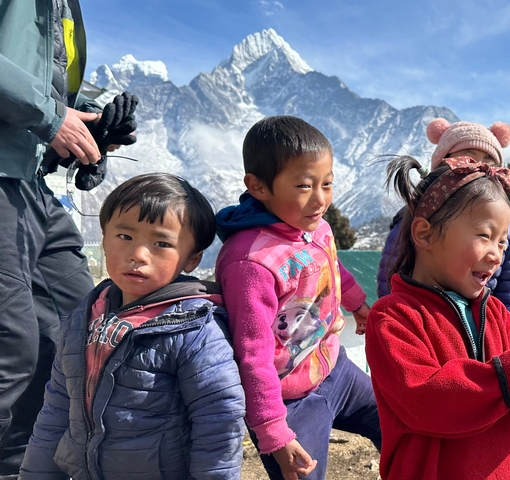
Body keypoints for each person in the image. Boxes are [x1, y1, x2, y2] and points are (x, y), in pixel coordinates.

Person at [365, 156, 510, 480]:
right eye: (484, 236)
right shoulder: (393, 318)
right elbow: (424, 401)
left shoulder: (497, 314)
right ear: (424, 234)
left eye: (502, 241)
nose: (496, 254)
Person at [18, 173, 246, 479]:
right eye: (125, 237)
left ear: (192, 259)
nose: (138, 255)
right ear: (103, 238)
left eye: (161, 243)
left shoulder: (196, 330)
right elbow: (58, 406)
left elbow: (219, 422)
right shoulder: (85, 317)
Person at [0, 0, 135, 475]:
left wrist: (93, 123)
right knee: (9, 343)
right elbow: (37, 101)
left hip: (31, 182)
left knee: (79, 329)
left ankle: (21, 466)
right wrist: (51, 116)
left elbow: (37, 80)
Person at [216, 115, 380, 480]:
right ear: (258, 187)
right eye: (305, 186)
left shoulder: (315, 226)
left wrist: (359, 304)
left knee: (397, 423)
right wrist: (274, 433)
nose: (320, 199)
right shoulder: (251, 262)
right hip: (288, 400)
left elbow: (333, 269)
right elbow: (253, 355)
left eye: (327, 183)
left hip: (334, 369)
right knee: (303, 475)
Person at [376, 118, 510, 333]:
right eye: (469, 159)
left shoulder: (509, 233)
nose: (480, 169)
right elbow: (391, 277)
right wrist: (397, 324)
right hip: (422, 329)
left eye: (490, 162)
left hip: (488, 342)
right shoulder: (411, 220)